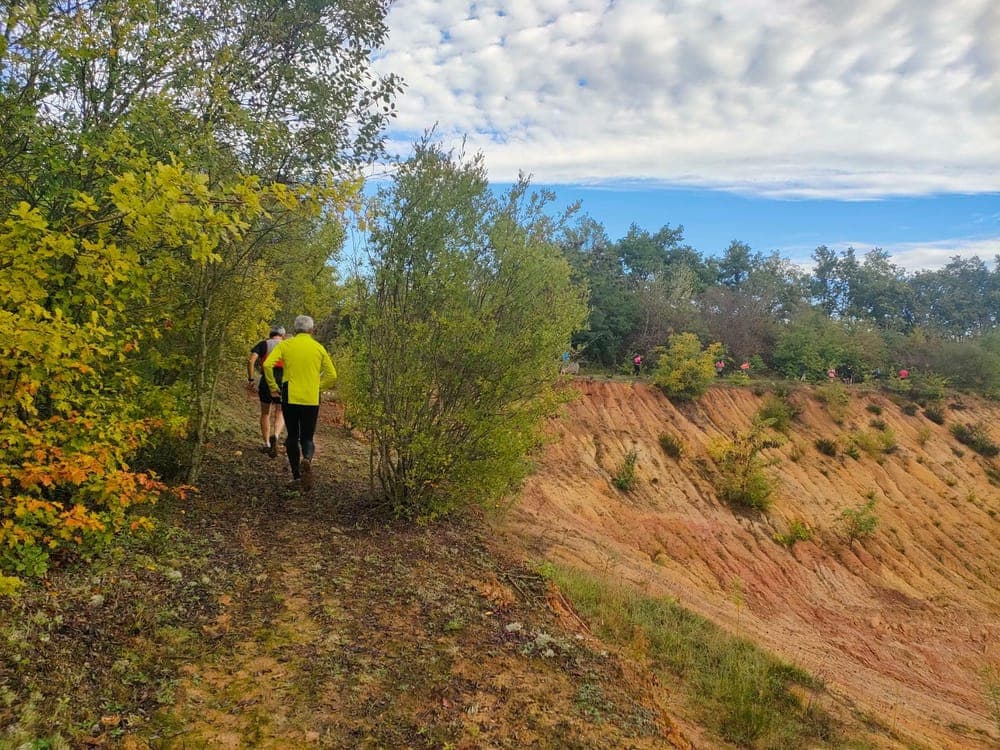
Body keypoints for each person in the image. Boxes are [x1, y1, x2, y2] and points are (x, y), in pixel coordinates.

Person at [263, 315, 337, 492]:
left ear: (295, 329)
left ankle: (297, 476)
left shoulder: (286, 345)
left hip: (290, 395)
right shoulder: (318, 348)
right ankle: (307, 459)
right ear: (311, 330)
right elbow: (332, 375)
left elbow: (267, 365)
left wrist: (273, 386)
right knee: (307, 437)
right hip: (311, 397)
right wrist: (318, 387)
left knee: (292, 436)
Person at [248, 326, 286, 457]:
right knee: (280, 412)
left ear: (271, 334)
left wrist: (251, 379)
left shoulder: (263, 344)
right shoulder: (288, 345)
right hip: (283, 381)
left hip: (266, 380)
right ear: (283, 335)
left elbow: (251, 360)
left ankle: (267, 444)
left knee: (265, 413)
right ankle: (276, 435)